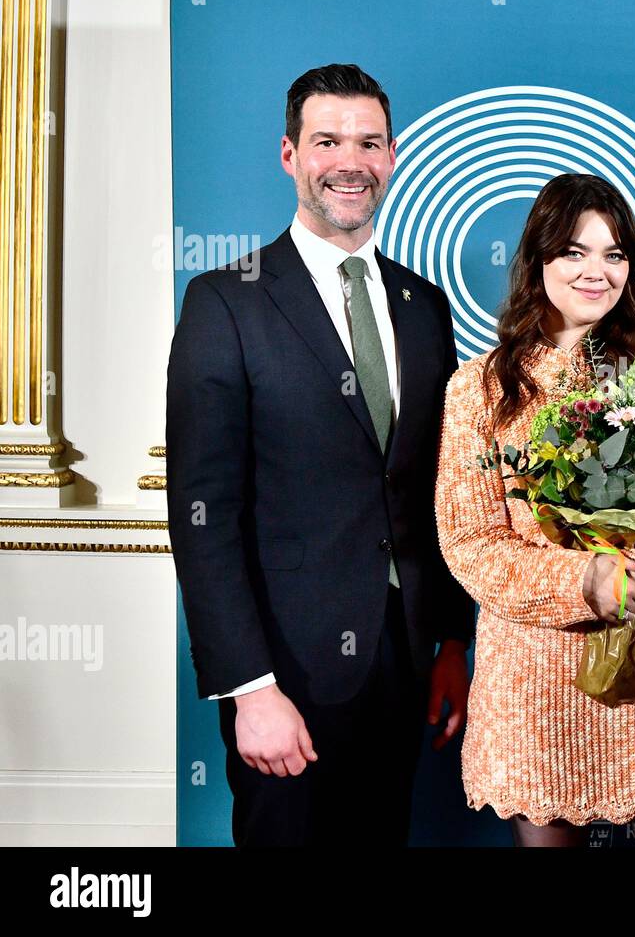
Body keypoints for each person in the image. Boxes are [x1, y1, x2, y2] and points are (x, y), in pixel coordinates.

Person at [167, 63, 473, 846]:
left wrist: (448, 645)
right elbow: (203, 516)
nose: (350, 161)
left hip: (402, 667)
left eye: (369, 142)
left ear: (393, 156)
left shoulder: (423, 304)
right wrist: (249, 689)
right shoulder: (224, 300)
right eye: (328, 140)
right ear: (289, 155)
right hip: (286, 678)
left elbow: (433, 488)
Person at [435, 173, 635, 847]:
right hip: (535, 692)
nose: (597, 272)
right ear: (538, 260)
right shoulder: (479, 390)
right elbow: (472, 544)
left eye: (614, 254)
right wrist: (590, 582)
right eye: (574, 251)